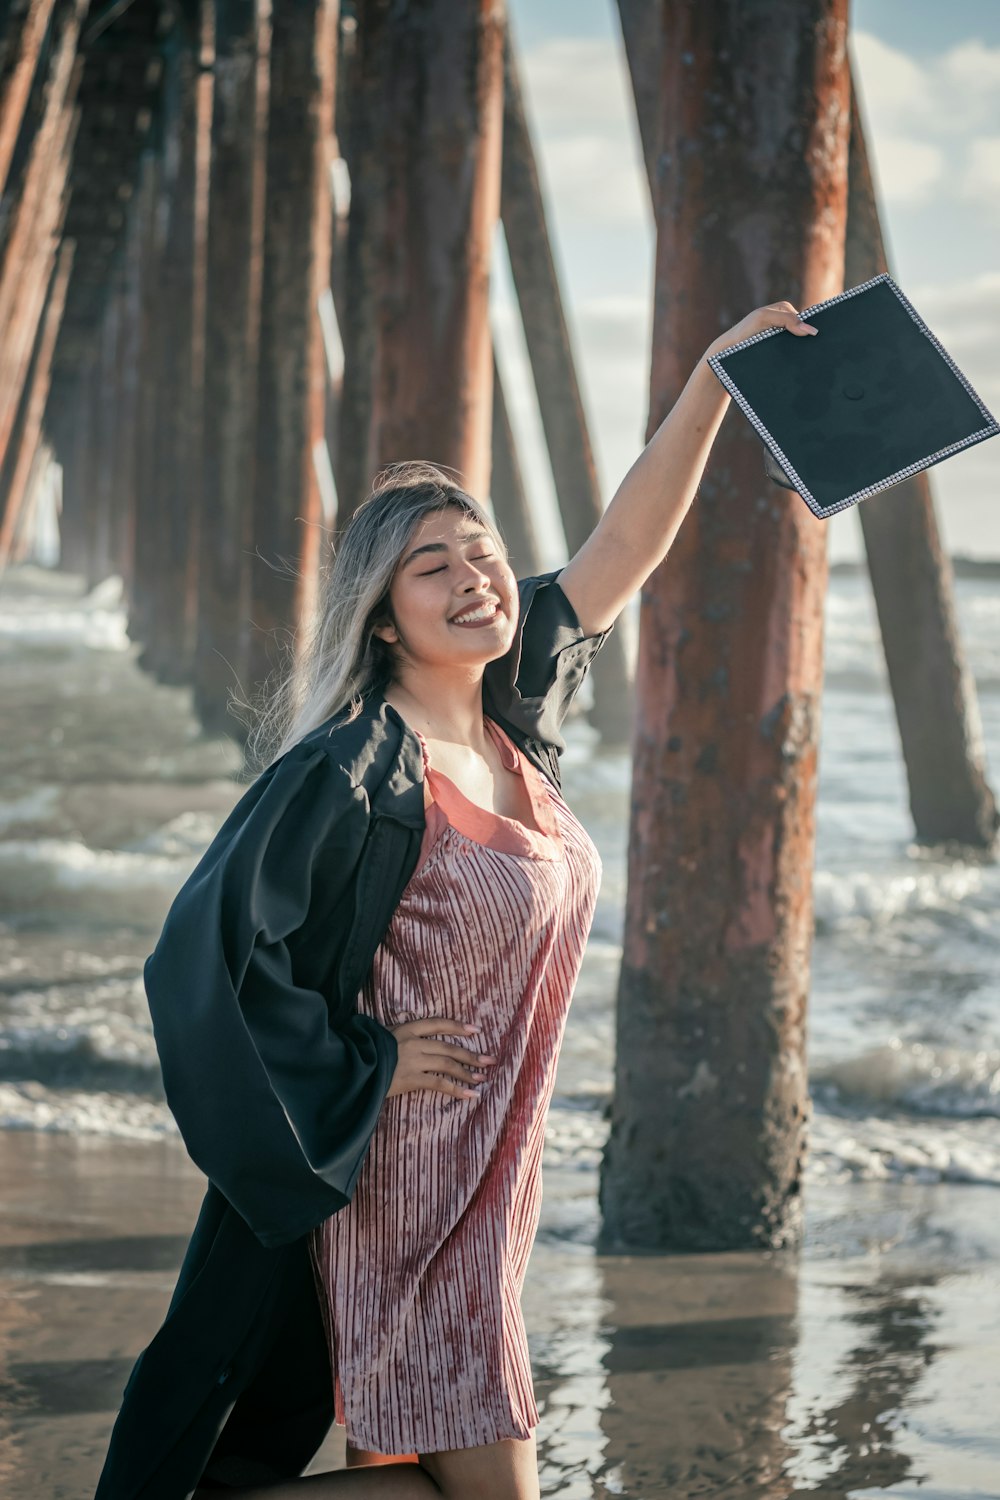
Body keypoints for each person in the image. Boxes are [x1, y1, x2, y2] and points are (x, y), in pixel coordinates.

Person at [93, 303, 815, 1500]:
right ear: (383, 613)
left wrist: (710, 387)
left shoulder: (507, 720)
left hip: (490, 1177)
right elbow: (200, 958)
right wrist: (362, 1064)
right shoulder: (348, 768)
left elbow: (620, 550)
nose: (475, 577)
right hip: (402, 1185)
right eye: (434, 566)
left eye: (481, 553)